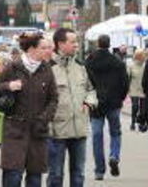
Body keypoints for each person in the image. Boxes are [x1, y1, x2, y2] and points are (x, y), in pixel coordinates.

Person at [0, 32, 58, 187]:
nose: (49, 51)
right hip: (14, 131)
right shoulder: (13, 67)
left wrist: (44, 119)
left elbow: (53, 99)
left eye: (49, 47)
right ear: (31, 49)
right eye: (44, 48)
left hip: (38, 131)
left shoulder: (46, 69)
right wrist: (8, 86)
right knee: (13, 176)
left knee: (34, 178)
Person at [47, 28, 97, 187]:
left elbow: (91, 90)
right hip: (56, 131)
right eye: (73, 42)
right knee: (55, 175)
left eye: (77, 41)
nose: (77, 45)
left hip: (79, 129)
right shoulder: (48, 68)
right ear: (60, 44)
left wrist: (89, 102)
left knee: (78, 174)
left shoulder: (80, 67)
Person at [85, 34, 129, 181]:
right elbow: (125, 83)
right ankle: (114, 155)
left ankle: (99, 170)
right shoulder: (117, 62)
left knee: (97, 136)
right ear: (110, 44)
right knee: (115, 132)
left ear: (98, 43)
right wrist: (120, 98)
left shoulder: (90, 61)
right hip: (113, 103)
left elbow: (86, 82)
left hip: (96, 103)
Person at [128, 49, 147, 131]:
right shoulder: (131, 66)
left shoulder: (145, 66)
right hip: (134, 89)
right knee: (135, 106)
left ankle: (141, 123)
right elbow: (128, 78)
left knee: (143, 109)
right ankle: (132, 122)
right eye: (138, 56)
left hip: (143, 90)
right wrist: (127, 89)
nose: (140, 58)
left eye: (141, 56)